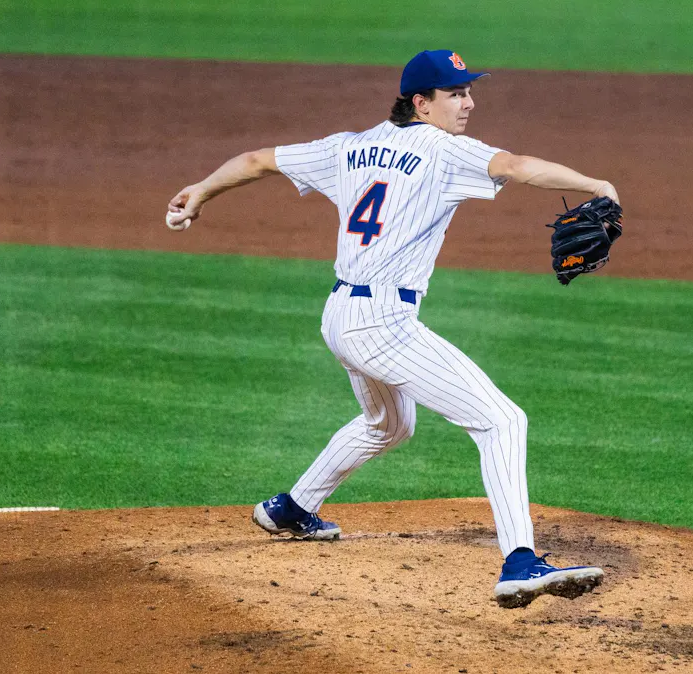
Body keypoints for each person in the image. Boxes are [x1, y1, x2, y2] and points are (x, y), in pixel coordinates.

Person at [167, 50, 620, 608]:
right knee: (503, 420)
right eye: (456, 94)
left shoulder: (348, 147)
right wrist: (597, 184)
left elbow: (258, 160)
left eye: (468, 91)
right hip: (383, 323)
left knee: (388, 425)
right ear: (421, 104)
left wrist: (200, 190)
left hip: (341, 315)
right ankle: (521, 562)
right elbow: (519, 166)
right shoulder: (444, 150)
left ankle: (293, 507)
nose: (469, 103)